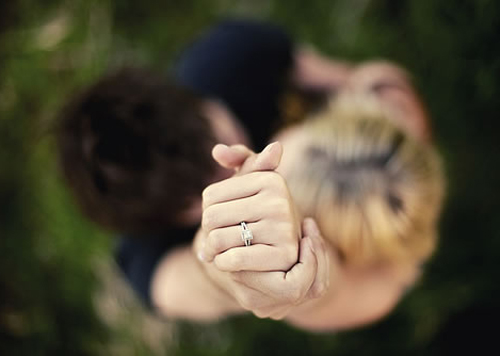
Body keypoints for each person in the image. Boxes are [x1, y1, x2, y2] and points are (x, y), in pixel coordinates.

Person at [56, 19, 350, 321]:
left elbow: (337, 77)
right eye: (198, 195)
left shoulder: (233, 53)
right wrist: (229, 273)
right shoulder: (146, 260)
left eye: (217, 142)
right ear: (164, 221)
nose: (231, 176)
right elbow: (193, 282)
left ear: (194, 100)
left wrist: (373, 89)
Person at [194, 67, 445, 329]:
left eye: (282, 179)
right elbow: (376, 74)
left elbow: (326, 295)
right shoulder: (387, 101)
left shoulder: (379, 286)